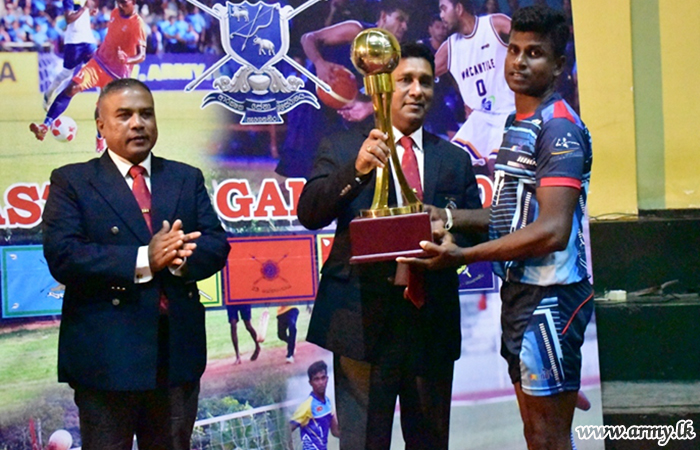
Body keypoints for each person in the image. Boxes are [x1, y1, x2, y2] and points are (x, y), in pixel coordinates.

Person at [400, 7, 593, 449]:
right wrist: (446, 216)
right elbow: (511, 214)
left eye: (535, 53)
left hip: (551, 297)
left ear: (559, 65)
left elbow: (553, 230)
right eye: (515, 50)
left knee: (548, 436)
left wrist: (464, 255)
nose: (519, 61)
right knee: (534, 432)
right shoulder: (515, 124)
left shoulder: (558, 128)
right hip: (521, 295)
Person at [297, 42, 482, 450]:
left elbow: (475, 228)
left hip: (430, 322)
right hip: (360, 323)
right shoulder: (343, 147)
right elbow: (310, 213)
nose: (417, 91)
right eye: (405, 80)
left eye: (425, 82)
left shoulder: (453, 159)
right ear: (381, 86)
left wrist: (453, 239)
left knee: (430, 443)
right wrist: (358, 169)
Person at [42, 78, 231, 450]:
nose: (138, 123)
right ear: (101, 124)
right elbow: (64, 255)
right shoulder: (72, 181)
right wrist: (145, 258)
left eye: (146, 114)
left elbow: (215, 243)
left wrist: (178, 258)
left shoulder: (184, 177)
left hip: (176, 359)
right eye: (124, 115)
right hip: (106, 360)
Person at [30, 0, 146, 153]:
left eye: (124, 2)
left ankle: (100, 137)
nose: (120, 5)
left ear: (133, 2)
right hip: (98, 63)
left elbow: (142, 55)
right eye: (118, 1)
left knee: (102, 109)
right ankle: (44, 126)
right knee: (72, 87)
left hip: (116, 74)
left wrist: (127, 59)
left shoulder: (138, 24)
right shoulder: (114, 13)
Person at [435, 0, 514, 175]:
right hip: (479, 118)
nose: (441, 16)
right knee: (449, 165)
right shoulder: (449, 47)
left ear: (459, 8)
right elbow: (423, 73)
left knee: (497, 165)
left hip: (508, 112)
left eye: (444, 9)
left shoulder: (495, 24)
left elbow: (530, 41)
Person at [301, 0, 410, 123]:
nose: (404, 27)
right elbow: (308, 38)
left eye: (406, 22)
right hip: (311, 99)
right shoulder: (356, 31)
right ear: (384, 16)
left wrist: (367, 106)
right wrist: (319, 63)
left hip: (340, 115)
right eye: (400, 19)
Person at [42, 0, 97, 110]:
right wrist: (85, 8)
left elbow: (80, 16)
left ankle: (102, 103)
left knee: (98, 66)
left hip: (88, 40)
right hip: (74, 42)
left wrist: (89, 13)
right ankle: (49, 92)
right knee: (66, 73)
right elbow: (69, 19)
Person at [289, 360, 339, 450]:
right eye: (316, 379)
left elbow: (335, 431)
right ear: (310, 382)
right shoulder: (307, 405)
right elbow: (288, 429)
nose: (321, 382)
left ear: (327, 379)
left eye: (323, 378)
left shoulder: (328, 402)